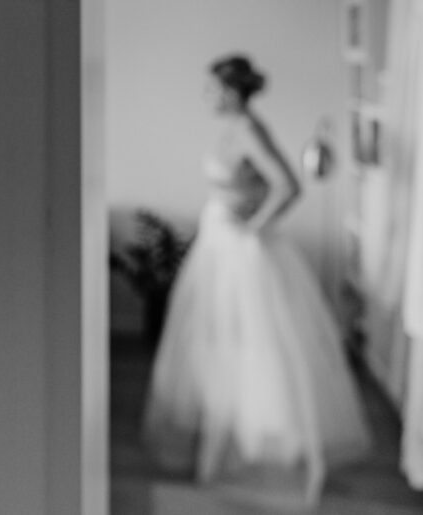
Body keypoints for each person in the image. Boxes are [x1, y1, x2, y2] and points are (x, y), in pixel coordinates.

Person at [143, 53, 371, 507]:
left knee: (253, 342)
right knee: (219, 340)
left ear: (231, 92)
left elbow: (288, 185)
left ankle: (256, 437)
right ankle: (227, 427)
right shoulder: (233, 128)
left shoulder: (250, 129)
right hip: (216, 245)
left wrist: (252, 228)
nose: (206, 96)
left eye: (211, 89)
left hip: (238, 251)